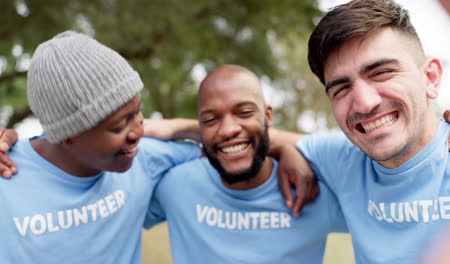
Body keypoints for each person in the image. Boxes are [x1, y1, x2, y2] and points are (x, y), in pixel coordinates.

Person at [0, 31, 317, 263]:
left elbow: (234, 146)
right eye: (118, 126)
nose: (137, 131)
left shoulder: (147, 160)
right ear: (67, 135)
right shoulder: (7, 177)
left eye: (137, 113)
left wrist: (285, 150)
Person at [295, 0, 450, 263]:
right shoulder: (342, 160)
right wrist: (289, 154)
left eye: (382, 72)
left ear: (430, 78)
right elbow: (273, 138)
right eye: (341, 89)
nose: (364, 102)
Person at [143, 64, 347, 264]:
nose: (228, 130)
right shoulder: (176, 185)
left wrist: (290, 149)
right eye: (211, 119)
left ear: (267, 117)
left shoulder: (312, 190)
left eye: (244, 112)